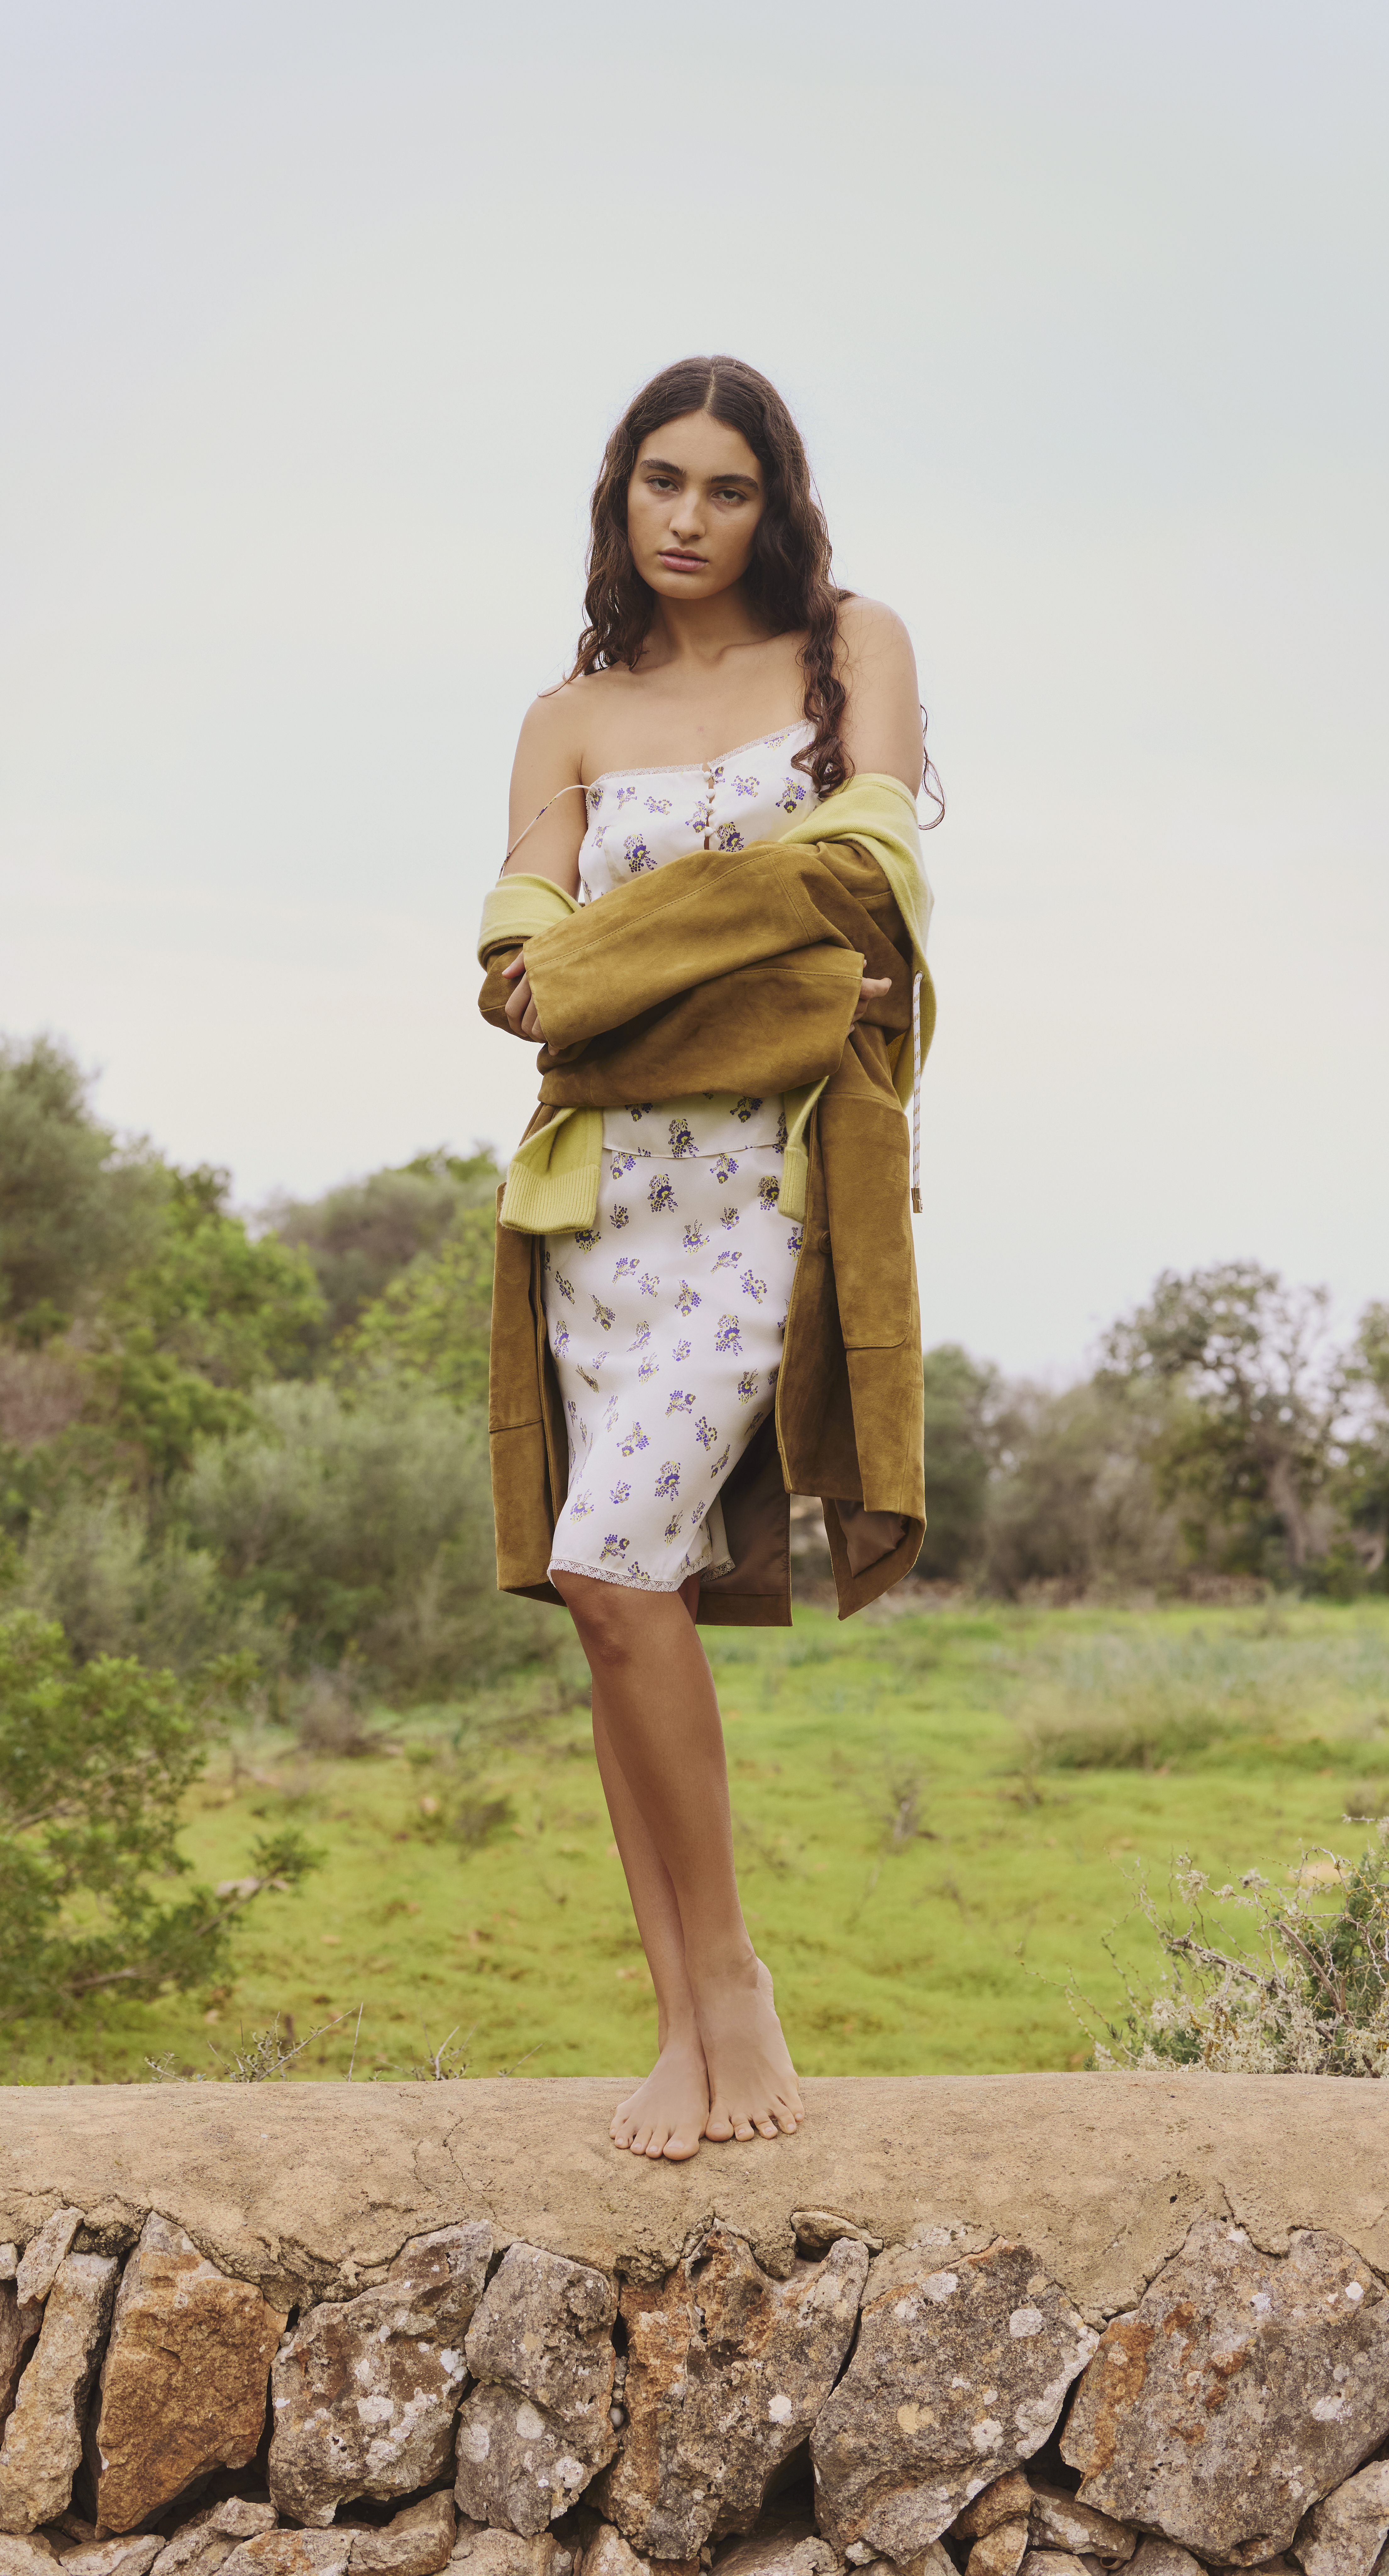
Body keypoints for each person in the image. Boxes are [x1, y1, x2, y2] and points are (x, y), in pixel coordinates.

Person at [476, 356, 938, 2163]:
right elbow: (517, 980)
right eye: (655, 483)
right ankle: (677, 2020)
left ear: (776, 505)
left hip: (776, 1188)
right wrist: (740, 948)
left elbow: (864, 890)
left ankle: (733, 1980)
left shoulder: (852, 650)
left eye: (722, 490)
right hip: (599, 1205)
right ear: (620, 497)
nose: (684, 518)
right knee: (612, 1606)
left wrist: (625, 957)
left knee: (611, 1562)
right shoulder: (564, 717)